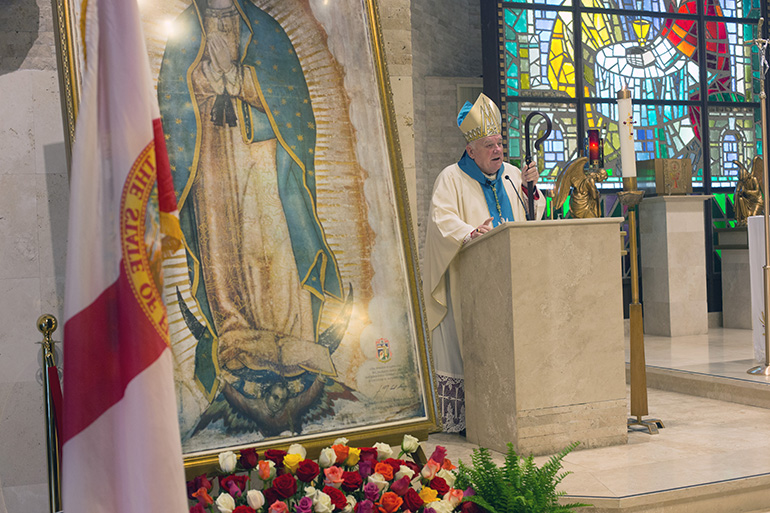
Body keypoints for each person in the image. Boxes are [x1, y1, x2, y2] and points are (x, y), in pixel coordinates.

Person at [157, 0, 344, 435]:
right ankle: (236, 332)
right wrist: (204, 78)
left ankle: (289, 333)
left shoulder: (265, 30)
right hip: (210, 162)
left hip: (262, 157)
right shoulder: (186, 28)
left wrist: (240, 80)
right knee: (223, 245)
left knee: (272, 239)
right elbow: (171, 101)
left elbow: (294, 103)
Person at [424, 93, 546, 433]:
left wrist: (532, 190)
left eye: (499, 144)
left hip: (513, 282)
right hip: (471, 285)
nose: (497, 151)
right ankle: (472, 418)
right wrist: (470, 233)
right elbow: (441, 221)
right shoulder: (451, 178)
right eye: (489, 145)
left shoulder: (510, 175)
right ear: (470, 150)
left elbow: (531, 217)